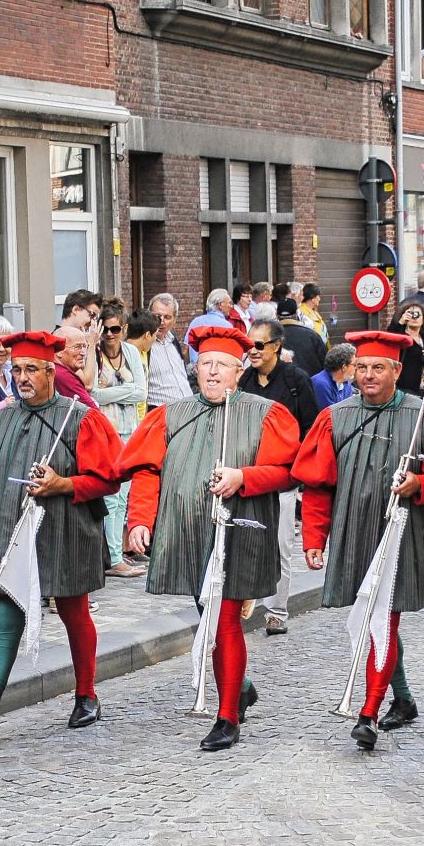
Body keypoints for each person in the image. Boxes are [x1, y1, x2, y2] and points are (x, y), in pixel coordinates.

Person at [293, 331, 424, 751]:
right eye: (361, 367)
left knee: (383, 617)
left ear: (397, 371)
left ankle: (368, 712)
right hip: (354, 531)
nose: (368, 375)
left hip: (405, 533)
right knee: (373, 615)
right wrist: (314, 537)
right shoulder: (334, 418)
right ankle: (404, 698)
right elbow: (319, 485)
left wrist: (421, 483)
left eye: (378, 367)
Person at [118, 325, 301, 750]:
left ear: (239, 371)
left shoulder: (266, 414)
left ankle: (227, 717)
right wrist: (140, 519)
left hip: (241, 531)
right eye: (205, 364)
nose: (213, 372)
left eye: (222, 365)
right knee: (210, 614)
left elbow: (288, 471)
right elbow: (147, 471)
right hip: (188, 531)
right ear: (195, 370)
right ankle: (242, 686)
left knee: (223, 618)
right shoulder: (170, 415)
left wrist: (244, 477)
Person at [0, 334, 125, 743]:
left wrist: (64, 483)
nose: (22, 377)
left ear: (50, 372)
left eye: (31, 369)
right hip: (10, 532)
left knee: (73, 612)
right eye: (16, 370)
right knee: (7, 613)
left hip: (67, 531)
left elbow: (108, 480)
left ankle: (86, 695)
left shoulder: (81, 418)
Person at [242, 318, 320, 636]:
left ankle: (276, 611)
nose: (252, 350)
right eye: (249, 344)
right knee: (246, 544)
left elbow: (311, 426)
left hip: (283, 477)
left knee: (280, 545)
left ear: (276, 346)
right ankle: (244, 601)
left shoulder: (295, 380)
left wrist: (301, 468)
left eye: (259, 345)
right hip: (248, 477)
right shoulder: (244, 380)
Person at [93, 306, 149, 579]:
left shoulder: (131, 353)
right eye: (105, 329)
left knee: (123, 497)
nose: (110, 334)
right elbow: (93, 394)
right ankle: (112, 557)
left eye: (115, 329)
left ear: (124, 329)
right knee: (110, 498)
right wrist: (127, 390)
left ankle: (115, 555)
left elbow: (142, 393)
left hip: (129, 433)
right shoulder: (95, 354)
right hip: (105, 433)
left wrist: (112, 392)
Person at [145, 294, 193, 406]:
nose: (161, 321)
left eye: (167, 317)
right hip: (160, 411)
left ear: (174, 320)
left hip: (187, 409)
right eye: (157, 316)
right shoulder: (144, 345)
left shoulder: (173, 341)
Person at [311, 343, 358, 408]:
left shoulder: (346, 383)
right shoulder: (320, 384)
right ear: (344, 367)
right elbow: (328, 412)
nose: (356, 368)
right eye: (354, 365)